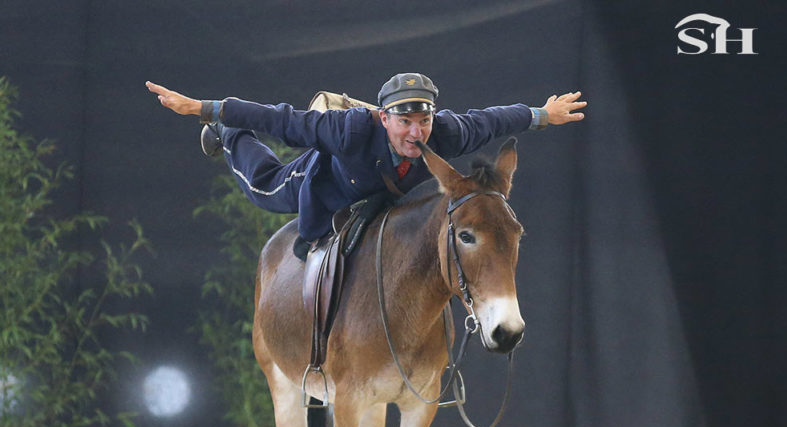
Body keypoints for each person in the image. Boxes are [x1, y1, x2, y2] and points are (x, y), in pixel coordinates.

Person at [145, 73, 586, 248]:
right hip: (327, 182)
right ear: (382, 118)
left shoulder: (443, 132)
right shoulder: (350, 130)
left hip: (376, 200)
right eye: (405, 121)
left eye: (424, 121)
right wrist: (205, 109)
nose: (417, 132)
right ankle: (228, 135)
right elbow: (278, 120)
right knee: (264, 187)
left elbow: (489, 121)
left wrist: (542, 115)